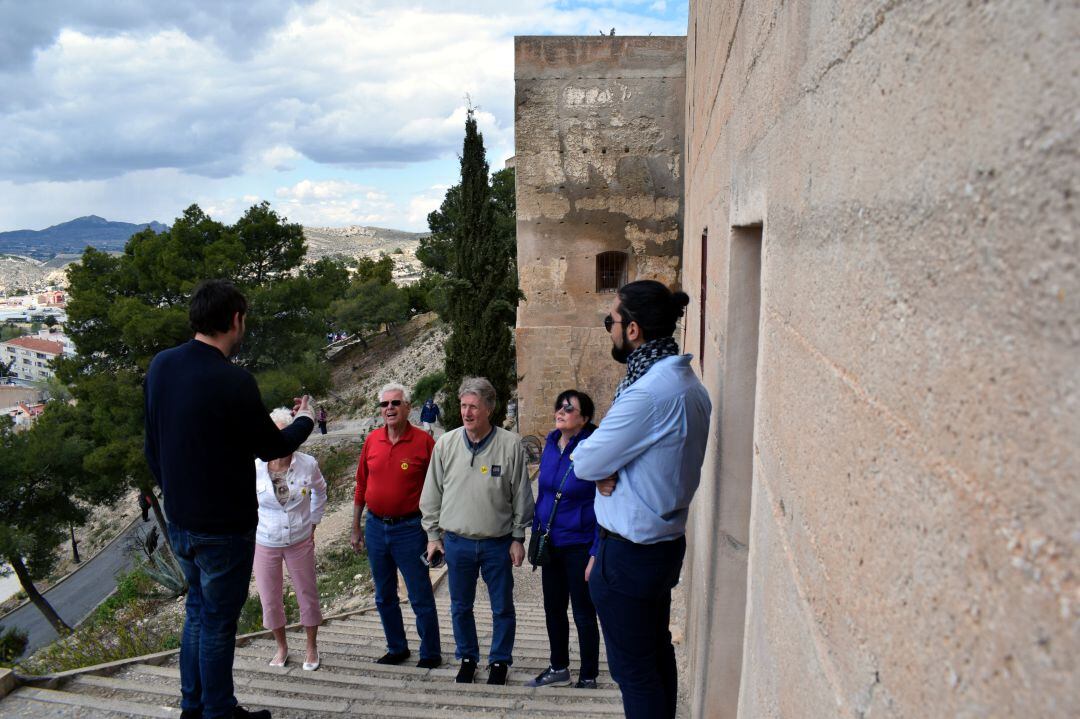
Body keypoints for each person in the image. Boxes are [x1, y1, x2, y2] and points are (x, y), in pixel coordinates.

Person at [144, 279, 315, 719]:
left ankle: (193, 706)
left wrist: (177, 494)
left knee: (197, 614)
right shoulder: (232, 379)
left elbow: (151, 447)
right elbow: (272, 447)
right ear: (235, 320)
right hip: (224, 529)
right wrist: (305, 419)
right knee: (218, 622)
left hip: (181, 522)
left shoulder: (162, 365)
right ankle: (218, 711)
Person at [572, 280, 712, 719]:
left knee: (635, 673)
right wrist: (610, 469)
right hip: (661, 547)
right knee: (656, 659)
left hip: (630, 558)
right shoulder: (686, 382)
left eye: (610, 320)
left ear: (632, 330)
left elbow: (584, 461)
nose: (608, 328)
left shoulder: (649, 394)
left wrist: (606, 469)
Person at [419, 377, 535, 685]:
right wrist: (432, 536)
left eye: (473, 406)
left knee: (502, 607)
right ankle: (467, 658)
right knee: (459, 606)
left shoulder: (510, 444)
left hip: (498, 543)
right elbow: (432, 493)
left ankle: (499, 661)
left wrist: (518, 537)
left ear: (489, 409)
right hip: (457, 543)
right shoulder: (446, 443)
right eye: (463, 406)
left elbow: (522, 494)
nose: (467, 412)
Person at [351, 383, 442, 669]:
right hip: (376, 528)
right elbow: (361, 485)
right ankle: (397, 647)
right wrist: (356, 527)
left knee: (419, 593)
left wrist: (436, 533)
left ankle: (430, 653)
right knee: (384, 594)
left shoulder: (424, 442)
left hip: (410, 529)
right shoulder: (372, 441)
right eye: (384, 404)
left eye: (395, 403)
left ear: (408, 407)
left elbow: (439, 487)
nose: (389, 408)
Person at [527, 389, 601, 690]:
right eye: (559, 406)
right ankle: (559, 667)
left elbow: (604, 504)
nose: (561, 411)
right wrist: (535, 530)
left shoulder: (593, 449)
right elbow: (544, 493)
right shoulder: (549, 443)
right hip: (551, 542)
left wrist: (596, 551)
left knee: (583, 612)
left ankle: (588, 674)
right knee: (553, 608)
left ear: (583, 419)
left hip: (579, 544)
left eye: (569, 409)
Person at [253, 407, 328, 672]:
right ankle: (282, 647)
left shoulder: (307, 463)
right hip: (265, 541)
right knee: (270, 598)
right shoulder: (256, 466)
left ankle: (311, 646)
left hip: (299, 539)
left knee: (307, 594)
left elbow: (320, 491)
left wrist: (314, 522)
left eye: (286, 433)